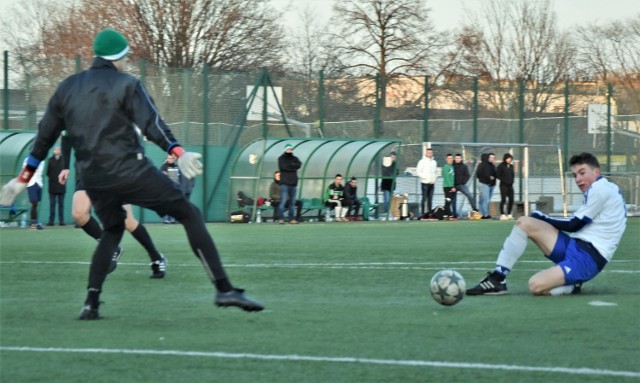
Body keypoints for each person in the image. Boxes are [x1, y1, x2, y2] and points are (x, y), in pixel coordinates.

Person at [0, 28, 262, 319]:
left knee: (112, 230)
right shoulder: (127, 83)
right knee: (188, 213)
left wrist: (22, 179)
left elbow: (44, 137)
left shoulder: (66, 88)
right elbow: (152, 124)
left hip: (93, 179)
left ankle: (91, 303)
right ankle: (223, 287)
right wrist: (178, 152)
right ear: (120, 56)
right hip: (130, 171)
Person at [466, 152, 626, 296]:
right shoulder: (601, 188)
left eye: (582, 173)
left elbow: (574, 224)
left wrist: (543, 217)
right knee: (524, 223)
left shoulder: (601, 190)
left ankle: (573, 285)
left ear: (596, 172)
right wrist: (542, 218)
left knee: (536, 286)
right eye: (575, 175)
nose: (578, 179)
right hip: (574, 245)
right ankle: (498, 279)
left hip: (588, 258)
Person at [278, 143, 302, 225]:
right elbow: (283, 167)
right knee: (283, 201)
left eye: (291, 149)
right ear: (285, 150)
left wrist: (291, 166)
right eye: (288, 149)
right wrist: (293, 166)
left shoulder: (295, 158)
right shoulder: (281, 158)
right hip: (284, 183)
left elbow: (299, 165)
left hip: (293, 184)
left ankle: (291, 219)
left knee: (292, 203)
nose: (289, 150)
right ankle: (281, 218)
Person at [452, 153, 478, 218]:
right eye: (456, 158)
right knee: (453, 200)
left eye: (459, 158)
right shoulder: (452, 166)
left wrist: (463, 182)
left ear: (461, 159)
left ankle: (474, 209)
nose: (457, 159)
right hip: (453, 186)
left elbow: (467, 176)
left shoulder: (464, 166)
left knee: (469, 194)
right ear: (454, 159)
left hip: (461, 185)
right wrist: (452, 185)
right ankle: (454, 214)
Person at [46, 147, 66, 226]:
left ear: (60, 151)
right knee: (52, 204)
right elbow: (47, 173)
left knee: (61, 204)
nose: (57, 151)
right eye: (55, 149)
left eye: (58, 149)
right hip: (52, 186)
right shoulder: (50, 160)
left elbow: (66, 171)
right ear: (53, 151)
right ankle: (51, 221)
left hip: (61, 186)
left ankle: (61, 221)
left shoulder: (64, 160)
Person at [23, 157, 45, 230]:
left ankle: (35, 222)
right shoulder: (27, 160)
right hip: (30, 183)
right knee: (34, 203)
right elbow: (26, 170)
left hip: (39, 183)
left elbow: (39, 170)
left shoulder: (42, 160)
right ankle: (33, 223)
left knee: (36, 205)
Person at [416, 148, 437, 216]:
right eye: (428, 153)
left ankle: (430, 213)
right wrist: (424, 177)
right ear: (426, 153)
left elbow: (435, 172)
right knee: (424, 198)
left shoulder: (434, 162)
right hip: (425, 183)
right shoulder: (422, 161)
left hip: (432, 183)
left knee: (430, 199)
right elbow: (418, 172)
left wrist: (434, 178)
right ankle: (422, 213)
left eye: (431, 153)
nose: (430, 154)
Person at [160, 154, 180, 223]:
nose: (170, 159)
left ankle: (172, 218)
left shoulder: (176, 167)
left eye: (171, 158)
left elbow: (178, 178)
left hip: (175, 189)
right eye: (169, 158)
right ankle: (166, 219)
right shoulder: (164, 167)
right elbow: (163, 178)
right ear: (167, 159)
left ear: (174, 159)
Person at [476, 152, 496, 219]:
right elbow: (487, 175)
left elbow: (478, 174)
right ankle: (486, 214)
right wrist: (490, 178)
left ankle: (482, 214)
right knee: (486, 200)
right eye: (489, 157)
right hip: (484, 184)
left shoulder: (480, 164)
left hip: (480, 183)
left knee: (481, 200)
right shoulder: (486, 165)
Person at [496, 153, 515, 220]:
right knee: (503, 200)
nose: (509, 160)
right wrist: (504, 180)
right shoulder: (501, 166)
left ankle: (509, 214)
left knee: (511, 200)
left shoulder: (511, 166)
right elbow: (497, 175)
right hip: (503, 185)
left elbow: (513, 175)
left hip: (510, 186)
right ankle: (502, 214)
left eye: (510, 159)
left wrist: (512, 181)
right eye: (508, 158)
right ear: (505, 158)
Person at [441, 154, 456, 220]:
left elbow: (452, 177)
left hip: (450, 186)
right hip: (447, 187)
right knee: (448, 201)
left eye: (451, 158)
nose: (450, 159)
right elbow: (446, 177)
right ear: (446, 159)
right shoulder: (446, 167)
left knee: (447, 201)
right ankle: (450, 215)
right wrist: (451, 187)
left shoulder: (452, 167)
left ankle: (445, 215)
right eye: (449, 158)